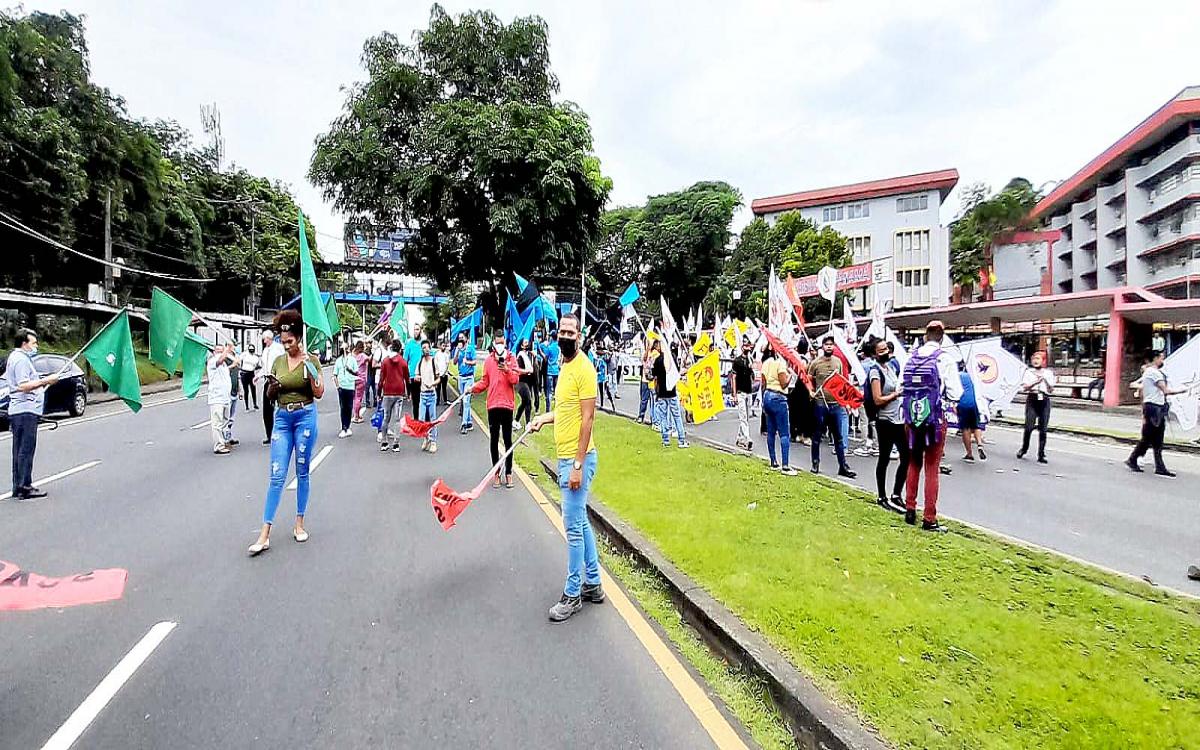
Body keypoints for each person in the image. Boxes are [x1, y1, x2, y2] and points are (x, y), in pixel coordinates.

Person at [528, 314, 603, 622]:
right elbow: (566, 411)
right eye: (562, 331)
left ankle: (572, 594)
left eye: (571, 332)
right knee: (580, 522)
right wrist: (544, 419)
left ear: (579, 336)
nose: (566, 336)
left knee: (572, 528)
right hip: (566, 457)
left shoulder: (585, 368)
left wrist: (577, 465)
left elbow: (588, 418)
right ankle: (593, 583)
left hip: (577, 459)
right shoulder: (565, 367)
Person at [248, 309, 325, 556]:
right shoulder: (279, 361)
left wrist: (311, 372)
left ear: (299, 338)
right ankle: (264, 533)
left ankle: (299, 523)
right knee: (277, 474)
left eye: (290, 341)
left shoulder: (311, 360)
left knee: (302, 471)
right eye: (283, 341)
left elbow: (319, 392)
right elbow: (270, 395)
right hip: (282, 418)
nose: (286, 345)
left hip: (305, 417)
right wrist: (273, 385)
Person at [901, 320, 962, 533]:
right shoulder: (945, 359)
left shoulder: (910, 357)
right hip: (934, 420)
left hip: (911, 418)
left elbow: (902, 385)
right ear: (942, 338)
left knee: (913, 462)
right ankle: (929, 518)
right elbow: (956, 393)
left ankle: (910, 509)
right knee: (932, 467)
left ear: (925, 336)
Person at [6, 329, 57, 500]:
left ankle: (18, 486)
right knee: (26, 450)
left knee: (19, 450)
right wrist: (45, 381)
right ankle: (24, 487)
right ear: (24, 344)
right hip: (25, 411)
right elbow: (23, 385)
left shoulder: (15, 357)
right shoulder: (20, 360)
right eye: (34, 343)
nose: (36, 346)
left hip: (20, 411)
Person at [472, 332, 520, 488]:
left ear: (505, 343)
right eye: (497, 343)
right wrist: (472, 388)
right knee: (493, 440)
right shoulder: (488, 361)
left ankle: (509, 473)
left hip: (507, 405)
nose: (499, 346)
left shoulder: (511, 358)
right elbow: (484, 382)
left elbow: (515, 380)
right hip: (493, 404)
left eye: (502, 343)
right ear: (493, 343)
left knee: (508, 440)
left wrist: (507, 369)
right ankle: (496, 473)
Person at [1126, 349, 1185, 477]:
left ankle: (1159, 466)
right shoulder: (1154, 373)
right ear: (1155, 359)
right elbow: (1165, 390)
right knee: (1149, 437)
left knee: (1156, 438)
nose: (1162, 360)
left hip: (1154, 407)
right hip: (1154, 408)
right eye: (1161, 358)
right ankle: (1133, 459)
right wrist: (1181, 390)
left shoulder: (1149, 372)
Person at [868, 338, 908, 514]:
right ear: (874, 354)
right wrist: (895, 395)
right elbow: (877, 399)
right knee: (884, 458)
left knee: (906, 457)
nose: (885, 352)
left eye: (886, 349)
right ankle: (881, 496)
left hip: (898, 419)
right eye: (881, 350)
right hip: (884, 421)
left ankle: (896, 494)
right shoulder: (875, 372)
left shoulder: (890, 367)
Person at [809, 336, 855, 478]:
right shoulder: (815, 363)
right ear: (822, 347)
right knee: (817, 435)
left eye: (831, 344)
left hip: (835, 404)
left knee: (838, 437)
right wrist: (810, 391)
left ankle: (843, 466)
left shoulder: (838, 362)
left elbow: (842, 382)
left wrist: (846, 402)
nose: (829, 347)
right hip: (820, 403)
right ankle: (815, 463)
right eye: (826, 344)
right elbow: (809, 380)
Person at [760, 347, 798, 475]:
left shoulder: (766, 363)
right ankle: (785, 465)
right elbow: (783, 384)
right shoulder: (781, 364)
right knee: (784, 433)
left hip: (767, 395)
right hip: (779, 397)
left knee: (771, 432)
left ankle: (773, 461)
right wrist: (791, 375)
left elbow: (763, 383)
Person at [1017, 351, 1055, 463]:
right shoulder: (1028, 372)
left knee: (1043, 429)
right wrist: (1035, 382)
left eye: (1038, 359)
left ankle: (1041, 454)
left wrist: (1045, 380)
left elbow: (1051, 390)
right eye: (1034, 359)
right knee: (1029, 427)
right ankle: (1024, 448)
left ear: (1043, 361)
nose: (1035, 361)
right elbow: (1025, 388)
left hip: (1044, 399)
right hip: (1032, 399)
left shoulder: (1048, 373)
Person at [652, 342, 688, 448]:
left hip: (661, 392)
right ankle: (681, 440)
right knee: (677, 416)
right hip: (672, 392)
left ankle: (666, 440)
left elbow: (654, 376)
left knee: (663, 417)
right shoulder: (672, 358)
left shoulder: (658, 360)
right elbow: (677, 372)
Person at [377, 339, 410, 452]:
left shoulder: (385, 361)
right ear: (400, 349)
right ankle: (396, 444)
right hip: (399, 392)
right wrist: (408, 393)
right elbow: (407, 379)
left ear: (391, 348)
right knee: (397, 419)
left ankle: (384, 442)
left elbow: (381, 379)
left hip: (387, 392)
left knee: (386, 417)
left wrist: (379, 393)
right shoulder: (403, 362)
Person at [205, 343, 236, 455]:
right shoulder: (212, 361)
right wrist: (227, 350)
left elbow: (232, 364)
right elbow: (219, 361)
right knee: (217, 422)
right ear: (214, 352)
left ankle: (223, 441)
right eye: (217, 351)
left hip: (225, 398)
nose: (219, 353)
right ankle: (218, 445)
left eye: (221, 351)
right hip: (216, 398)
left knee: (225, 421)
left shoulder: (224, 365)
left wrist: (232, 356)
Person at [259, 331, 285, 445]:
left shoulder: (278, 348)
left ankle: (282, 432)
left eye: (265, 339)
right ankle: (269, 434)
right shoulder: (265, 351)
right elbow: (264, 367)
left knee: (280, 407)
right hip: (268, 380)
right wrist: (258, 376)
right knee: (267, 409)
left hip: (277, 379)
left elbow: (283, 363)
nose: (264, 341)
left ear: (269, 338)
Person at [414, 339, 440, 453]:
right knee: (421, 420)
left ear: (430, 348)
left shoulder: (434, 362)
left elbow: (439, 378)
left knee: (433, 419)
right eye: (423, 348)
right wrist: (417, 378)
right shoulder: (420, 363)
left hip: (432, 394)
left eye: (427, 347)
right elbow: (416, 376)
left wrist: (433, 384)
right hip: (423, 394)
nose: (425, 350)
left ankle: (433, 442)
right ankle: (426, 438)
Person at [957, 361, 985, 462]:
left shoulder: (957, 376)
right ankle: (980, 444)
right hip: (975, 402)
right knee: (976, 425)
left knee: (965, 428)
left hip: (963, 403)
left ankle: (969, 453)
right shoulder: (975, 377)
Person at [730, 340, 756, 450]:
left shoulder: (750, 360)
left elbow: (753, 377)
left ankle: (740, 437)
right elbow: (733, 378)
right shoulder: (737, 361)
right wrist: (734, 394)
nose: (748, 348)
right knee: (743, 416)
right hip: (740, 392)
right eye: (746, 346)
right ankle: (747, 438)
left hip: (748, 391)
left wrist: (752, 368)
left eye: (749, 346)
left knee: (746, 417)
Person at [333, 345, 359, 438]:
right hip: (342, 387)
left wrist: (350, 370)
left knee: (349, 407)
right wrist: (338, 387)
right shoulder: (338, 361)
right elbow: (335, 375)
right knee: (343, 408)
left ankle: (347, 427)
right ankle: (344, 427)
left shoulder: (352, 360)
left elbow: (356, 373)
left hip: (350, 387)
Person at [454, 334, 477, 433]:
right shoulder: (458, 349)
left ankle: (464, 424)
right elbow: (454, 362)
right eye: (459, 338)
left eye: (462, 337)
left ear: (466, 339)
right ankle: (469, 422)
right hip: (461, 377)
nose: (460, 339)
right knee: (464, 400)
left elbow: (474, 362)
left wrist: (467, 362)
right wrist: (457, 352)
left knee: (466, 401)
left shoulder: (470, 348)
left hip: (469, 378)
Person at [514, 337, 538, 429]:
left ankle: (516, 421)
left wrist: (534, 357)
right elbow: (518, 370)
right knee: (528, 400)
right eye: (525, 342)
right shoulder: (520, 356)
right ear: (521, 345)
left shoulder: (529, 355)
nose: (527, 343)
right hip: (521, 382)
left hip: (527, 381)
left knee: (525, 402)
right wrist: (527, 371)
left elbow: (534, 367)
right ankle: (528, 423)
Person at [404, 323, 425, 419]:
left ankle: (424, 420)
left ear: (421, 331)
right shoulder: (409, 344)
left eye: (417, 329)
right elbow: (405, 361)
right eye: (414, 329)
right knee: (415, 401)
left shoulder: (424, 344)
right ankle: (416, 420)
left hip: (423, 376)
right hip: (412, 376)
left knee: (424, 400)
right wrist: (406, 376)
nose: (416, 332)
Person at [638, 338, 658, 423]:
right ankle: (641, 416)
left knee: (653, 401)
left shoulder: (656, 353)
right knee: (644, 399)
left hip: (653, 381)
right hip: (645, 380)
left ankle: (653, 419)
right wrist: (647, 349)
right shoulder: (645, 353)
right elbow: (644, 360)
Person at [541, 333, 560, 411]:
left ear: (551, 338)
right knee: (557, 392)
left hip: (550, 371)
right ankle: (557, 408)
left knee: (548, 392)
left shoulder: (549, 348)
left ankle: (548, 409)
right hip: (557, 371)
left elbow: (545, 359)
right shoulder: (559, 347)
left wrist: (540, 352)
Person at [239, 344, 260, 411]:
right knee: (246, 390)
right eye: (250, 349)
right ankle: (247, 406)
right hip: (244, 373)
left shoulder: (256, 357)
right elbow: (239, 360)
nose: (251, 350)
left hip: (251, 373)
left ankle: (255, 404)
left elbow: (258, 365)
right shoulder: (244, 354)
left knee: (253, 389)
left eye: (252, 349)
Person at [351, 342, 368, 423]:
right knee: (358, 398)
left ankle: (356, 414)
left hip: (353, 378)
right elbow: (369, 359)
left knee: (354, 398)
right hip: (361, 378)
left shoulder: (352, 356)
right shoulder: (363, 356)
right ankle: (356, 417)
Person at [434, 340, 451, 405]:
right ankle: (437, 401)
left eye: (445, 346)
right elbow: (435, 364)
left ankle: (445, 400)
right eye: (443, 346)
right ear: (440, 346)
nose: (444, 347)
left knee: (444, 388)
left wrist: (444, 372)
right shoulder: (437, 354)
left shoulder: (446, 355)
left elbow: (447, 364)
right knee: (438, 388)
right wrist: (437, 372)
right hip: (439, 374)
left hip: (445, 374)